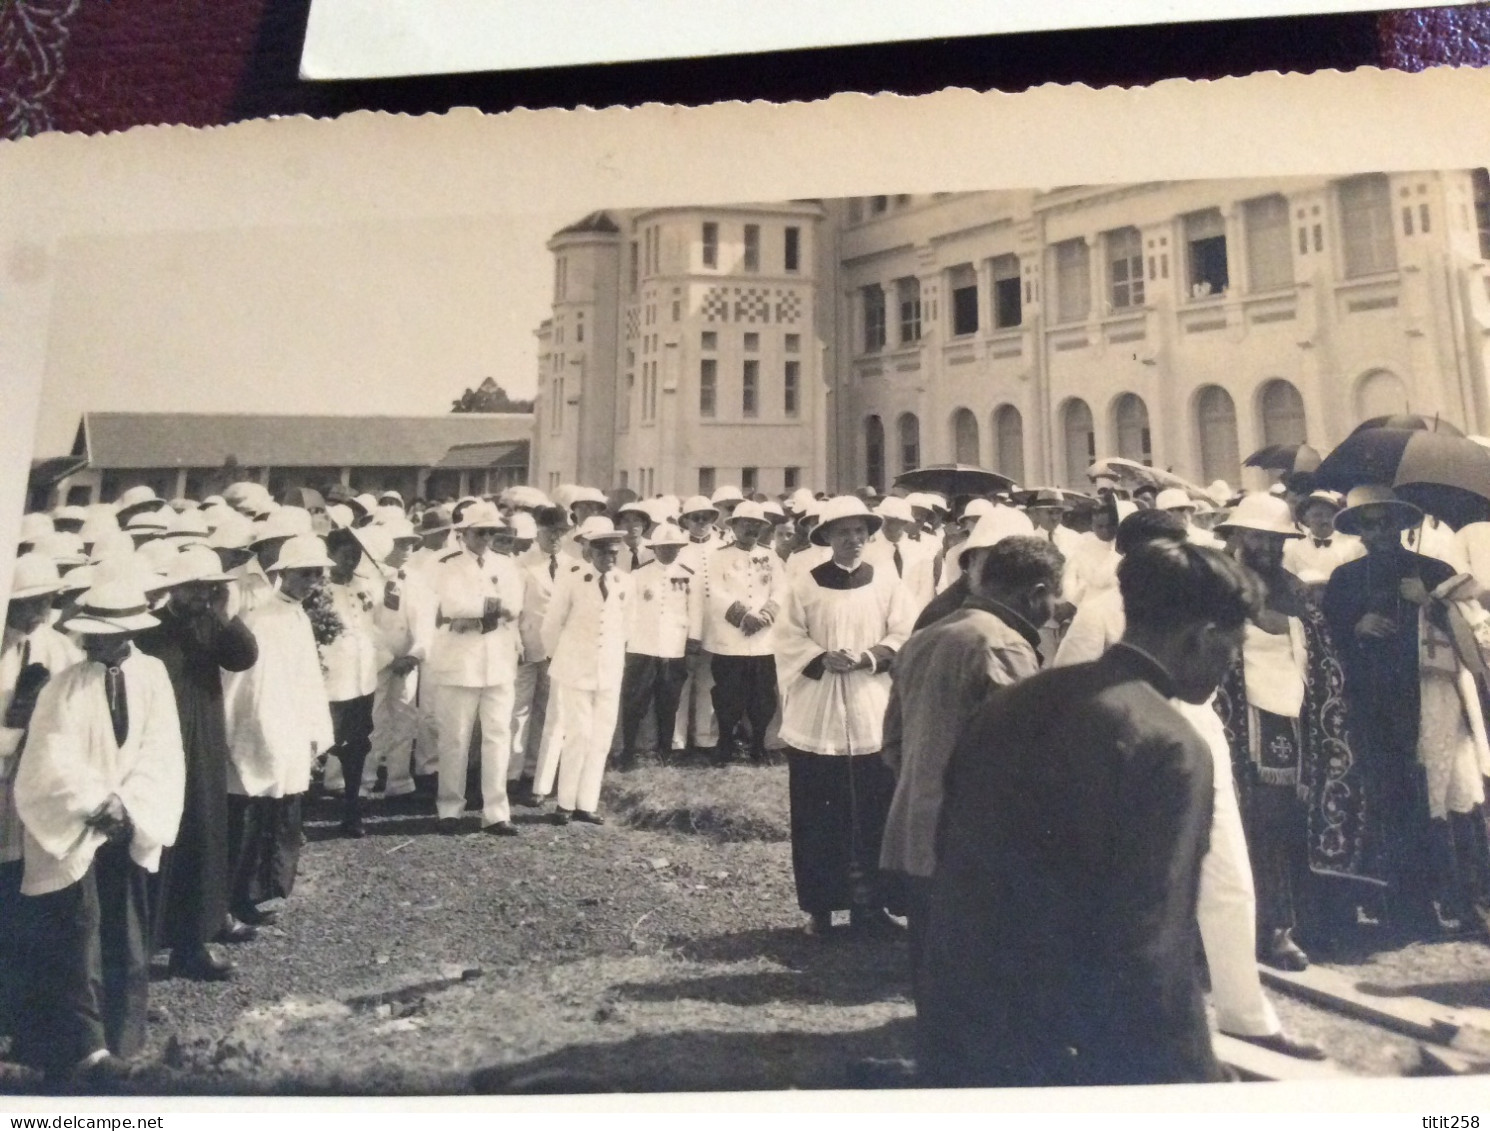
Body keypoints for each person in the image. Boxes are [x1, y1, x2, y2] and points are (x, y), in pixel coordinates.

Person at [918, 541, 1260, 1088]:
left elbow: (953, 859)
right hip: (1085, 1052)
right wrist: (1194, 1074)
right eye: (1232, 649)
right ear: (1203, 637)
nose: (1230, 665)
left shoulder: (1016, 700)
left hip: (966, 1021)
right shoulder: (1169, 743)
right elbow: (1154, 944)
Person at [13, 579, 185, 1085]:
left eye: (107, 636)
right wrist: (95, 802)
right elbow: (50, 756)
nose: (95, 644)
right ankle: (84, 1048)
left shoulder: (153, 675)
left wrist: (128, 804)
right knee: (78, 929)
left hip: (128, 819)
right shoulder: (65, 684)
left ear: (130, 632)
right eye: (91, 635)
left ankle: (124, 1037)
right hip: (78, 823)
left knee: (127, 927)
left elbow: (162, 748)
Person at [880, 532, 1059, 986]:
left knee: (933, 970)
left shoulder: (926, 636)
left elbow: (892, 742)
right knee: (985, 981)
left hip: (919, 829)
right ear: (1036, 594)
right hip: (979, 839)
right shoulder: (1003, 644)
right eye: (1057, 595)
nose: (1057, 607)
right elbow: (1030, 752)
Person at [1322, 486, 1490, 935]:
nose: (1377, 532)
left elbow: (1474, 637)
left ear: (1402, 524)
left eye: (1385, 522)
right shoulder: (1345, 579)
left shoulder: (1435, 571)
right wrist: (1355, 626)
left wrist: (1428, 601)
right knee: (1394, 800)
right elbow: (1328, 637)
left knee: (1454, 796)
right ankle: (1406, 906)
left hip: (1435, 700)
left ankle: (1464, 898)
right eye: (1367, 524)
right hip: (1377, 704)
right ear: (1357, 529)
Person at [1213, 493, 1357, 970]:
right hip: (1236, 715)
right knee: (1255, 824)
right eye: (1258, 536)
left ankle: (1303, 923)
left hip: (1296, 713)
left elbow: (1319, 642)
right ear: (1236, 536)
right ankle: (1268, 929)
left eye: (1276, 539)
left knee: (1293, 819)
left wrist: (1291, 627)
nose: (1268, 547)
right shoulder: (1217, 586)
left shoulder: (1293, 587)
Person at [775, 496, 914, 936]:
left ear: (869, 535)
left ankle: (874, 905)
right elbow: (787, 637)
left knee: (875, 808)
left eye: (859, 532)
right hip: (819, 712)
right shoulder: (805, 583)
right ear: (827, 538)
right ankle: (825, 909)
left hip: (871, 705)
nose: (852, 540)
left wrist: (871, 656)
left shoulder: (888, 581)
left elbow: (904, 632)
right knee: (821, 812)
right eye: (842, 533)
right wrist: (820, 656)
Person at [134, 545, 258, 981]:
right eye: (194, 589)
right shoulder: (149, 630)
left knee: (202, 839)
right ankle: (144, 948)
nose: (202, 596)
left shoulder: (212, 624)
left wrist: (226, 614)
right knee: (156, 842)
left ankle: (191, 944)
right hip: (159, 747)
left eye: (209, 588)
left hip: (203, 744)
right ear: (174, 589)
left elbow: (244, 656)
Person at [221, 533, 336, 926]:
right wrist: (260, 733)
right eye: (305, 574)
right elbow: (247, 685)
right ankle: (228, 904)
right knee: (246, 823)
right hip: (260, 729)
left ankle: (251, 896)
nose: (311, 583)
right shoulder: (263, 618)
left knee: (274, 820)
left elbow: (305, 679)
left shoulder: (296, 615)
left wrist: (311, 730)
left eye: (317, 575)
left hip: (288, 727)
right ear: (283, 574)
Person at [0, 554, 83, 1055]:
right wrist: (13, 734)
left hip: (31, 793)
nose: (37, 612)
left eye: (44, 602)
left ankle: (19, 1012)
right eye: (26, 603)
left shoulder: (58, 648)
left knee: (23, 899)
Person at [425, 502, 525, 836]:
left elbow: (515, 606)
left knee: (498, 737)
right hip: (459, 663)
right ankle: (449, 808)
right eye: (479, 532)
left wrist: (476, 614)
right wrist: (485, 610)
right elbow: (450, 605)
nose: (485, 538)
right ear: (463, 533)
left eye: (491, 532)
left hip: (498, 661)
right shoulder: (444, 564)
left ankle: (496, 812)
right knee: (455, 738)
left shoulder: (507, 564)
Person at [543, 517, 634, 825]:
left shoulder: (624, 582)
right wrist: (558, 657)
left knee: (601, 736)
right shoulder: (572, 577)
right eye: (604, 553)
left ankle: (587, 803)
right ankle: (565, 803)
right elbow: (552, 623)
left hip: (608, 668)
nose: (610, 559)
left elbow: (627, 626)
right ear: (591, 553)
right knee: (577, 734)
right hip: (574, 667)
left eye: (614, 553)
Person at [698, 501, 786, 765]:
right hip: (730, 639)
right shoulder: (718, 556)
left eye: (757, 524)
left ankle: (758, 744)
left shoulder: (771, 556)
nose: (751, 528)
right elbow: (714, 591)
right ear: (733, 526)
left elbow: (782, 589)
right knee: (728, 695)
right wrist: (744, 616)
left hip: (763, 640)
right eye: (745, 523)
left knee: (763, 696)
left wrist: (765, 615)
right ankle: (726, 743)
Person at [318, 527, 383, 837]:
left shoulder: (366, 586)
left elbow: (375, 627)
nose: (352, 562)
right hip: (329, 682)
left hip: (361, 680)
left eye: (356, 556)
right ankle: (297, 814)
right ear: (330, 555)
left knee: (357, 747)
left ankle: (352, 810)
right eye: (345, 555)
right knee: (316, 747)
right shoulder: (318, 589)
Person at [617, 523, 696, 770]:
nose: (669, 551)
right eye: (664, 547)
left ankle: (665, 751)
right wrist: (626, 642)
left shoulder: (688, 575)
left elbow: (695, 612)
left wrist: (692, 644)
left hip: (673, 649)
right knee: (634, 701)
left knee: (669, 702)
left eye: (674, 547)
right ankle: (628, 750)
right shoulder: (639, 575)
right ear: (655, 548)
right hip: (642, 647)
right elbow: (628, 612)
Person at [1283, 490, 1363, 586]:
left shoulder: (1354, 546)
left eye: (1329, 515)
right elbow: (1288, 582)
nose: (1325, 520)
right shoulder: (1292, 549)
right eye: (1318, 515)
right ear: (1305, 519)